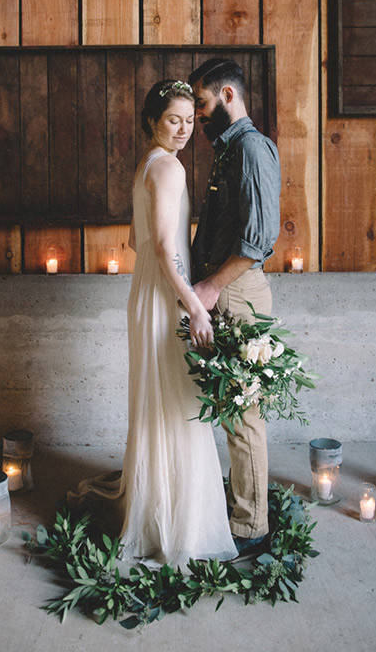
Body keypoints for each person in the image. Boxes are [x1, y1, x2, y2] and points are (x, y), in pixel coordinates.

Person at [68, 79, 237, 566]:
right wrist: (194, 304)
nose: (184, 129)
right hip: (167, 295)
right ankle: (175, 520)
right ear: (151, 121)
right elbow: (164, 247)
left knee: (161, 399)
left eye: (191, 120)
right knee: (179, 404)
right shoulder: (169, 169)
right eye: (173, 120)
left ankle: (158, 500)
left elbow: (134, 241)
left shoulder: (147, 163)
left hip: (146, 291)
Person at [189, 58, 281, 559]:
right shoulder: (229, 150)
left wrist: (208, 289)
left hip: (239, 292)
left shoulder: (249, 149)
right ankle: (243, 508)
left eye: (202, 106)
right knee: (232, 410)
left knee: (244, 414)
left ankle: (251, 528)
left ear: (228, 95)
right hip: (228, 290)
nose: (198, 118)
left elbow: (257, 240)